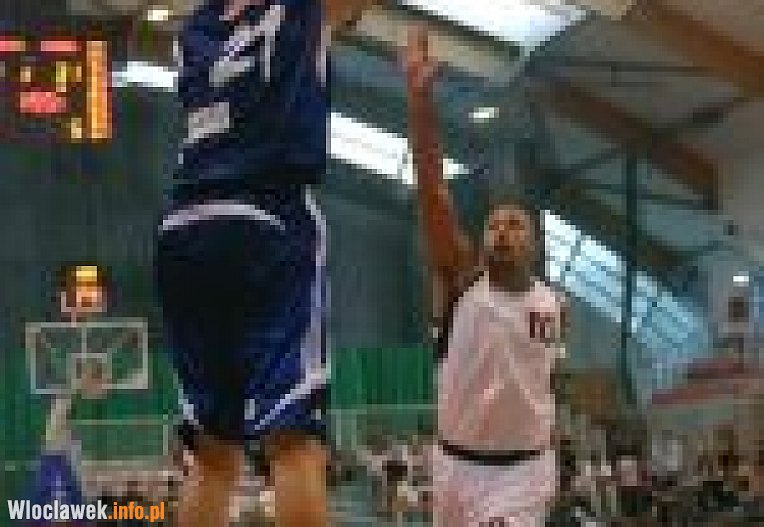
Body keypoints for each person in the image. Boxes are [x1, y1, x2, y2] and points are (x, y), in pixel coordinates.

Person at [154, 1, 376, 526]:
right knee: (294, 444)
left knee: (213, 454)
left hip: (184, 225)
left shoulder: (194, 28)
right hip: (266, 217)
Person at [404, 27, 568, 527]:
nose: (501, 230)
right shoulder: (461, 281)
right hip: (453, 466)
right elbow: (432, 191)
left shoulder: (556, 305)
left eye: (514, 224)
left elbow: (545, 381)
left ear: (533, 244)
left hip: (523, 472)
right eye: (493, 224)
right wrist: (420, 101)